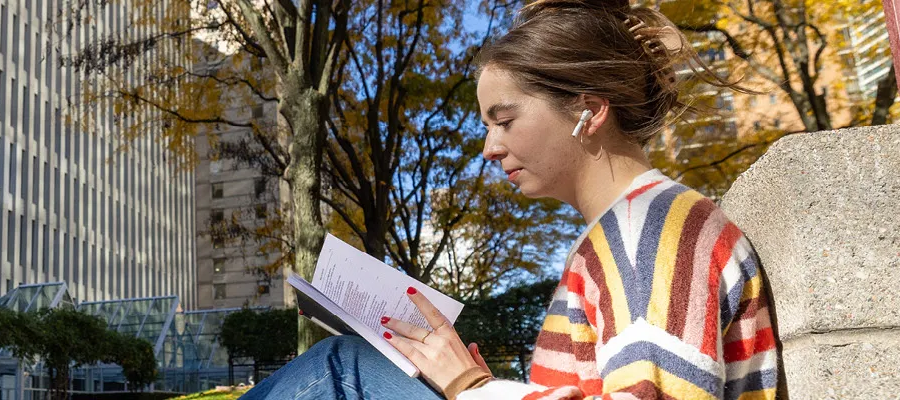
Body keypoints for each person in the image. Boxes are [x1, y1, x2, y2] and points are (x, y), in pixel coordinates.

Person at [237, 0, 781, 399]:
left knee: (340, 370)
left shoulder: (650, 232)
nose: (489, 147)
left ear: (588, 112)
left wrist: (471, 387)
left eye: (505, 120)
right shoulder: (633, 231)